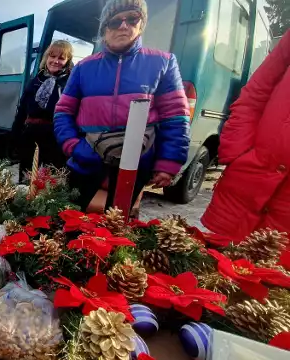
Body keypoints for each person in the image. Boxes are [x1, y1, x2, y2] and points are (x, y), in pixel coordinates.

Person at [54, 0, 190, 212]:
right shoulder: (84, 68)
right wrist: (74, 146)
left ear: (141, 23)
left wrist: (168, 161)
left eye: (132, 18)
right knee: (70, 216)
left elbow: (176, 117)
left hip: (136, 164)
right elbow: (63, 112)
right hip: (86, 159)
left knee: (116, 222)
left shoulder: (162, 63)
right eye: (115, 21)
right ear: (104, 29)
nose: (124, 26)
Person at [202, 30, 290, 238]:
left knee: (270, 268)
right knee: (211, 263)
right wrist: (237, 151)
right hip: (248, 180)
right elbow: (255, 93)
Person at [12, 40, 73, 181]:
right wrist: (15, 137)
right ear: (47, 58)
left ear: (68, 61)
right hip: (30, 137)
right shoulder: (35, 81)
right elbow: (22, 111)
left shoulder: (70, 83)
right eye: (52, 56)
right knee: (26, 180)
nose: (55, 61)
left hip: (55, 139)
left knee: (51, 183)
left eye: (61, 58)